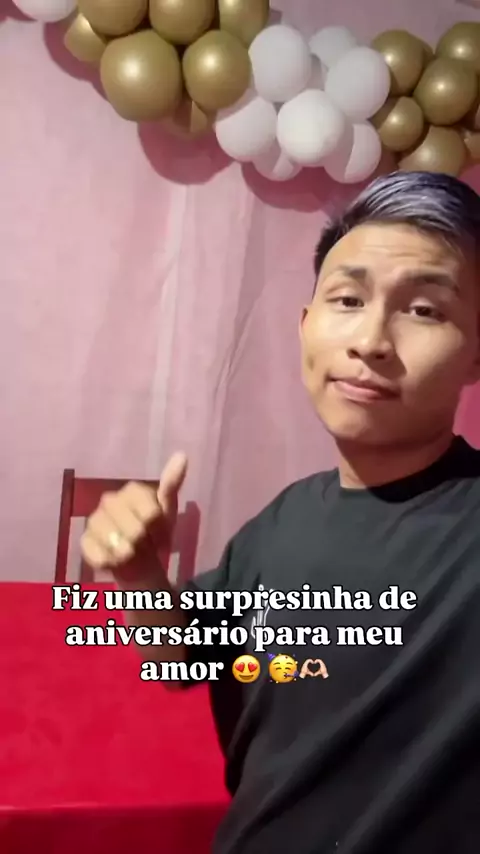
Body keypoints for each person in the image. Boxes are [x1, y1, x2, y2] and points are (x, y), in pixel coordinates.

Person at [80, 171, 480, 854]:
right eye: (348, 300)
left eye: (423, 310)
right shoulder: (278, 525)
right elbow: (178, 659)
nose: (371, 341)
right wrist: (142, 576)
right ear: (305, 327)